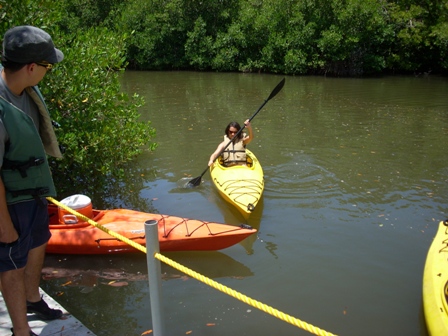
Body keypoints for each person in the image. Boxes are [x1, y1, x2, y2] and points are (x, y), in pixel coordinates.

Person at [0, 25, 64, 336]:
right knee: (12, 261)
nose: (48, 72)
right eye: (47, 67)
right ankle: (21, 330)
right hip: (10, 200)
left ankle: (33, 298)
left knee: (39, 242)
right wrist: (4, 223)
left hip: (35, 190)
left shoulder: (25, 88)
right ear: (30, 67)